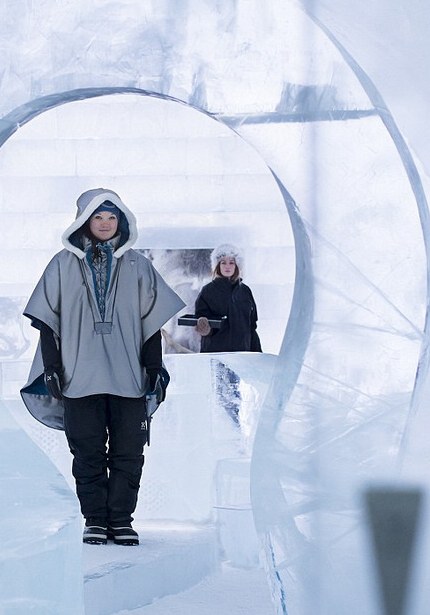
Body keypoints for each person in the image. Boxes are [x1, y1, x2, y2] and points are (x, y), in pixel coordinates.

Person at [21, 188, 185, 546]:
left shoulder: (138, 265)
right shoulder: (61, 264)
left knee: (129, 452)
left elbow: (151, 322)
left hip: (129, 377)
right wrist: (51, 367)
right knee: (87, 452)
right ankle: (95, 520)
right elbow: (47, 321)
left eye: (112, 217)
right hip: (78, 376)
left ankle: (121, 520)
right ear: (84, 219)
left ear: (122, 220)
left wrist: (153, 367)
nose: (106, 223)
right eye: (98, 216)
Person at [194, 243, 262, 354]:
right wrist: (205, 328)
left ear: (237, 265)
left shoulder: (245, 291)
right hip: (216, 354)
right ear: (217, 265)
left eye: (231, 262)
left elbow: (252, 326)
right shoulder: (208, 291)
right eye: (223, 262)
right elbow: (201, 319)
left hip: (243, 354)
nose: (227, 266)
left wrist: (257, 353)